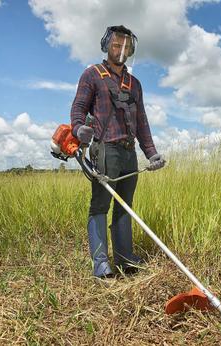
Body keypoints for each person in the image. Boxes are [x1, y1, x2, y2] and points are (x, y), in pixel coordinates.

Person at [70, 25, 165, 278]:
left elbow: (142, 121)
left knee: (125, 205)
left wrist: (151, 153)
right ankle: (100, 263)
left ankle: (125, 259)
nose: (121, 49)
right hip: (105, 150)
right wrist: (79, 130)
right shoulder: (92, 75)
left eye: (126, 46)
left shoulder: (134, 84)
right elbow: (78, 108)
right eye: (116, 44)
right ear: (106, 46)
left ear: (131, 50)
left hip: (128, 152)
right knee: (100, 205)